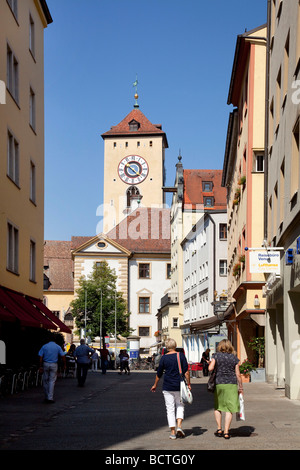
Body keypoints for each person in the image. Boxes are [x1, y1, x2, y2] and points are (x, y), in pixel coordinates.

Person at [150, 338, 191, 440]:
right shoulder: (180, 356)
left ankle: (172, 432)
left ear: (167, 347)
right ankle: (179, 426)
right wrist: (189, 384)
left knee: (170, 409)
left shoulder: (164, 358)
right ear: (175, 345)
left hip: (167, 386)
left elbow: (159, 373)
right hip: (179, 386)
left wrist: (155, 384)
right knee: (180, 406)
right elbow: (186, 372)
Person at [208, 339, 243, 439]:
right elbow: (238, 374)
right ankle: (226, 432)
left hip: (219, 383)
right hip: (231, 384)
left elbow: (210, 368)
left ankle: (219, 429)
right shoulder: (234, 358)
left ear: (220, 346)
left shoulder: (216, 356)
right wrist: (241, 387)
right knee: (229, 408)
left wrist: (212, 363)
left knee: (218, 406)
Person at [38, 333, 66, 403]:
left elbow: (40, 357)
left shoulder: (44, 346)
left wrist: (40, 366)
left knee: (45, 380)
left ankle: (46, 396)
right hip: (54, 364)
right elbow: (63, 356)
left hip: (45, 364)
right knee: (52, 381)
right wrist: (64, 364)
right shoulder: (57, 347)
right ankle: (50, 397)